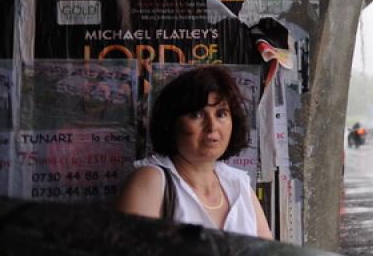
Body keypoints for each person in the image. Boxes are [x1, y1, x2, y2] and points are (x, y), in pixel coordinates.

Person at [117, 65, 272, 238]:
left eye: (221, 114)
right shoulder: (151, 181)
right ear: (171, 123)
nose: (212, 126)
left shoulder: (239, 185)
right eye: (197, 115)